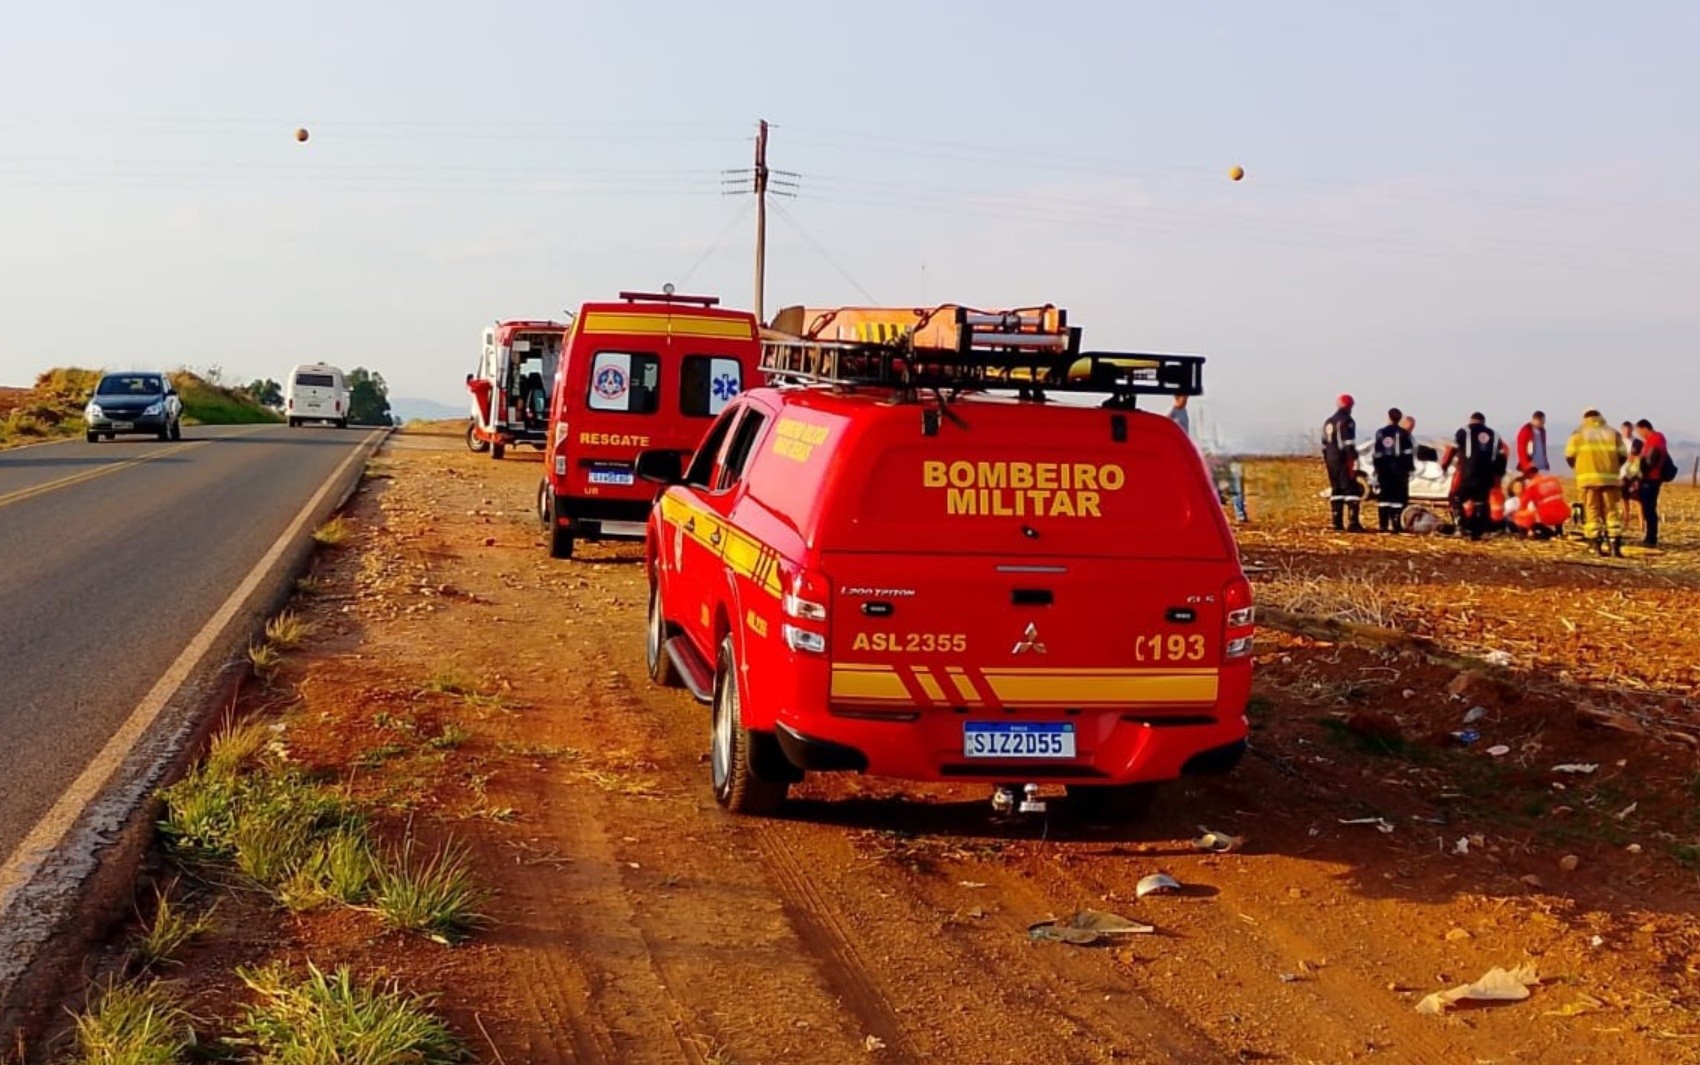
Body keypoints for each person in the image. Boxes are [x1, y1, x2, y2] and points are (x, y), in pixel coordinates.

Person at [1566, 409, 1630, 557]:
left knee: (1592, 510)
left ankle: (1595, 545)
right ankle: (1614, 545)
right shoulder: (1613, 433)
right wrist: (1613, 469)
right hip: (1610, 479)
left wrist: (1579, 469)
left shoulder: (1578, 433)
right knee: (1611, 510)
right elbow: (1623, 455)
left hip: (1587, 480)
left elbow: (1569, 456)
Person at [1441, 412, 1508, 541]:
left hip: (1468, 474)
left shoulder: (1463, 431)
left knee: (1456, 498)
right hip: (1487, 477)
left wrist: (1444, 466)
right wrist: (1499, 474)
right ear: (1484, 422)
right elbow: (1502, 457)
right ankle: (1478, 532)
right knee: (1481, 502)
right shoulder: (1494, 435)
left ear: (1471, 420)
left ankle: (1460, 528)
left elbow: (1451, 450)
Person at [1321, 394, 1364, 532]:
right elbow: (1348, 444)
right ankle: (1353, 523)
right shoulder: (1348, 421)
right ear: (1350, 406)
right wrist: (1354, 458)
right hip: (1344, 459)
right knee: (1352, 489)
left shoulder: (1328, 421)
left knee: (1336, 489)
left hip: (1330, 459)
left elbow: (1324, 444)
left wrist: (1327, 458)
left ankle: (1336, 522)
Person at [1372, 407, 1416, 533]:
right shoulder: (1404, 434)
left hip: (1384, 469)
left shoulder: (1380, 433)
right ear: (1399, 419)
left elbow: (1377, 453)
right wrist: (1410, 469)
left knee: (1384, 496)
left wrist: (1377, 468)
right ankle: (1396, 524)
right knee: (1397, 497)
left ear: (1388, 417)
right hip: (1399, 471)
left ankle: (1383, 525)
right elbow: (1408, 453)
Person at [1634, 419, 1673, 547]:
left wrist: (1642, 467)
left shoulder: (1656, 440)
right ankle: (1649, 537)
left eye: (1639, 431)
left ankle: (1651, 539)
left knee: (1649, 509)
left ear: (1645, 428)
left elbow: (1651, 460)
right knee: (1647, 508)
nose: (1639, 434)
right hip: (1648, 478)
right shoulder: (1652, 440)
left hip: (1651, 479)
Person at [1508, 464, 1569, 539]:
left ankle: (1554, 534)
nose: (1518, 489)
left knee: (1539, 525)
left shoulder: (1532, 486)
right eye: (1516, 487)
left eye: (1520, 486)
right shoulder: (1512, 501)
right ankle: (1554, 533)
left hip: (1541, 518)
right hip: (1521, 523)